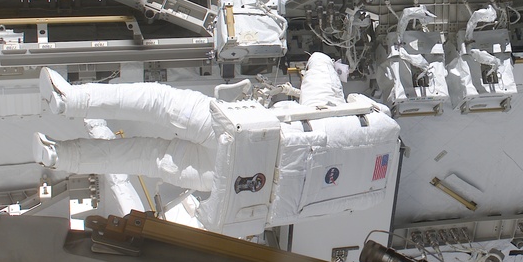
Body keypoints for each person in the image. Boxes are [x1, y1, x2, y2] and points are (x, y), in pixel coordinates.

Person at [32, 53, 350, 193]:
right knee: (141, 156)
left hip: (239, 134)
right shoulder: (347, 189)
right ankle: (61, 156)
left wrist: (336, 69)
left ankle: (69, 100)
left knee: (160, 103)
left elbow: (320, 63)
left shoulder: (349, 127)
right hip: (228, 179)